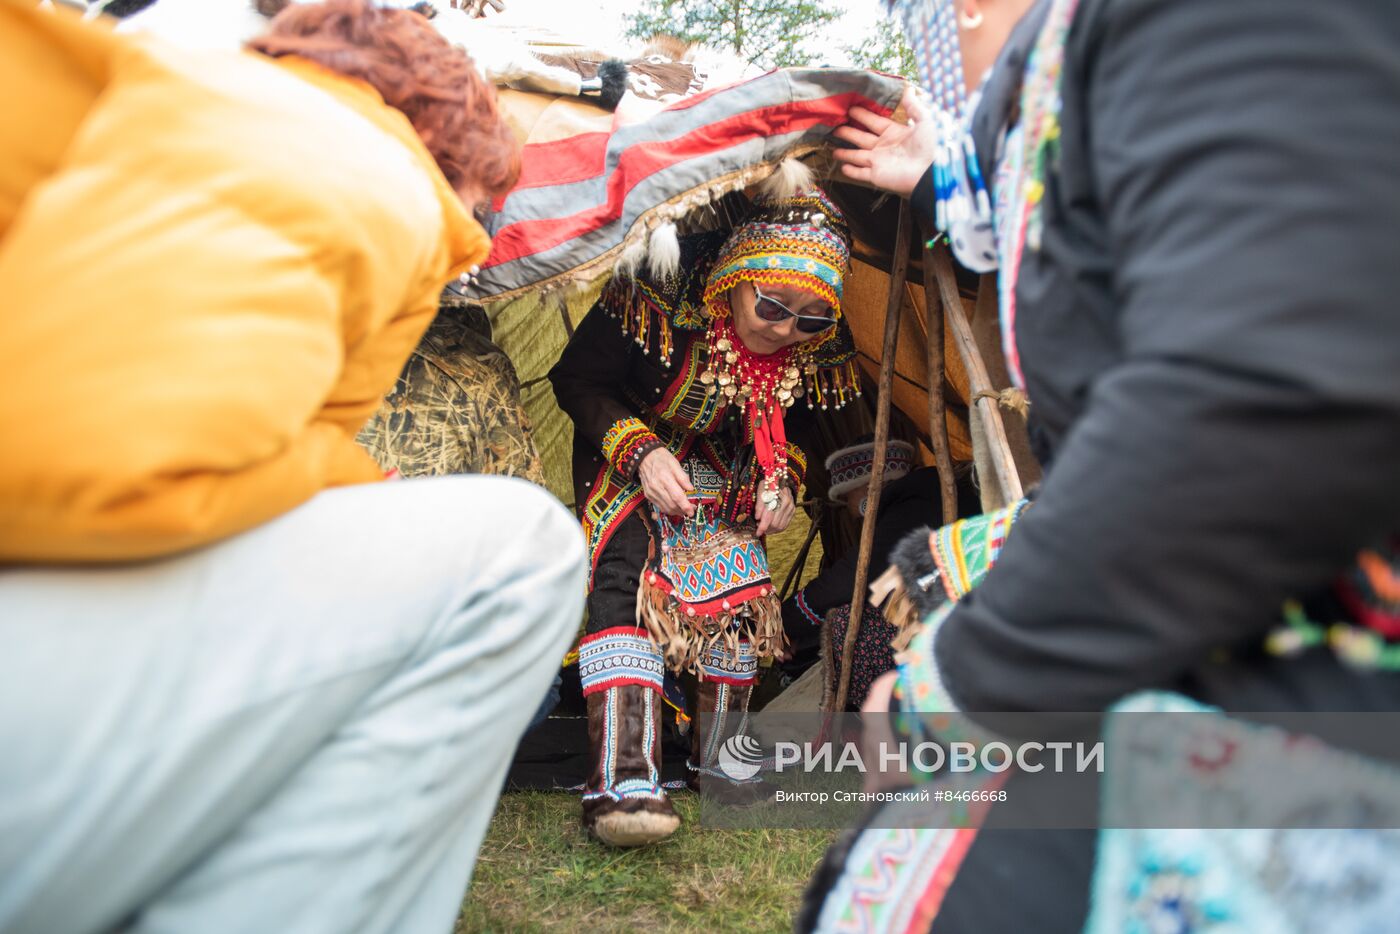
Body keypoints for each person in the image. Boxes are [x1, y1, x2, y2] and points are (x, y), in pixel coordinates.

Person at [800, 0, 1400, 930]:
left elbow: (1259, 403)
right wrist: (933, 181)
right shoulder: (1096, 62)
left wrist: (956, 682)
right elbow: (1061, 200)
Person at [0, 3, 585, 933]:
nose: (474, 246)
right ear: (451, 144)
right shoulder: (352, 166)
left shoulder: (175, 129)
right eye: (485, 205)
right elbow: (98, 466)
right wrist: (340, 475)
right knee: (523, 549)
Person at [549, 187, 862, 847]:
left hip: (729, 469)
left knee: (742, 588)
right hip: (632, 446)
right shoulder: (655, 288)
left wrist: (783, 478)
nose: (785, 330)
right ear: (731, 280)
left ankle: (719, 764)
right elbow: (577, 379)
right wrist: (641, 451)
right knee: (629, 576)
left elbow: (801, 431)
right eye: (772, 306)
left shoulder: (814, 349)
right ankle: (622, 777)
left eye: (809, 319)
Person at [779, 440, 977, 709]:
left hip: (962, 621)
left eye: (846, 498)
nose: (851, 511)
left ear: (864, 489)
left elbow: (853, 578)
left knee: (850, 624)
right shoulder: (929, 492)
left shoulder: (912, 504)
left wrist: (782, 624)